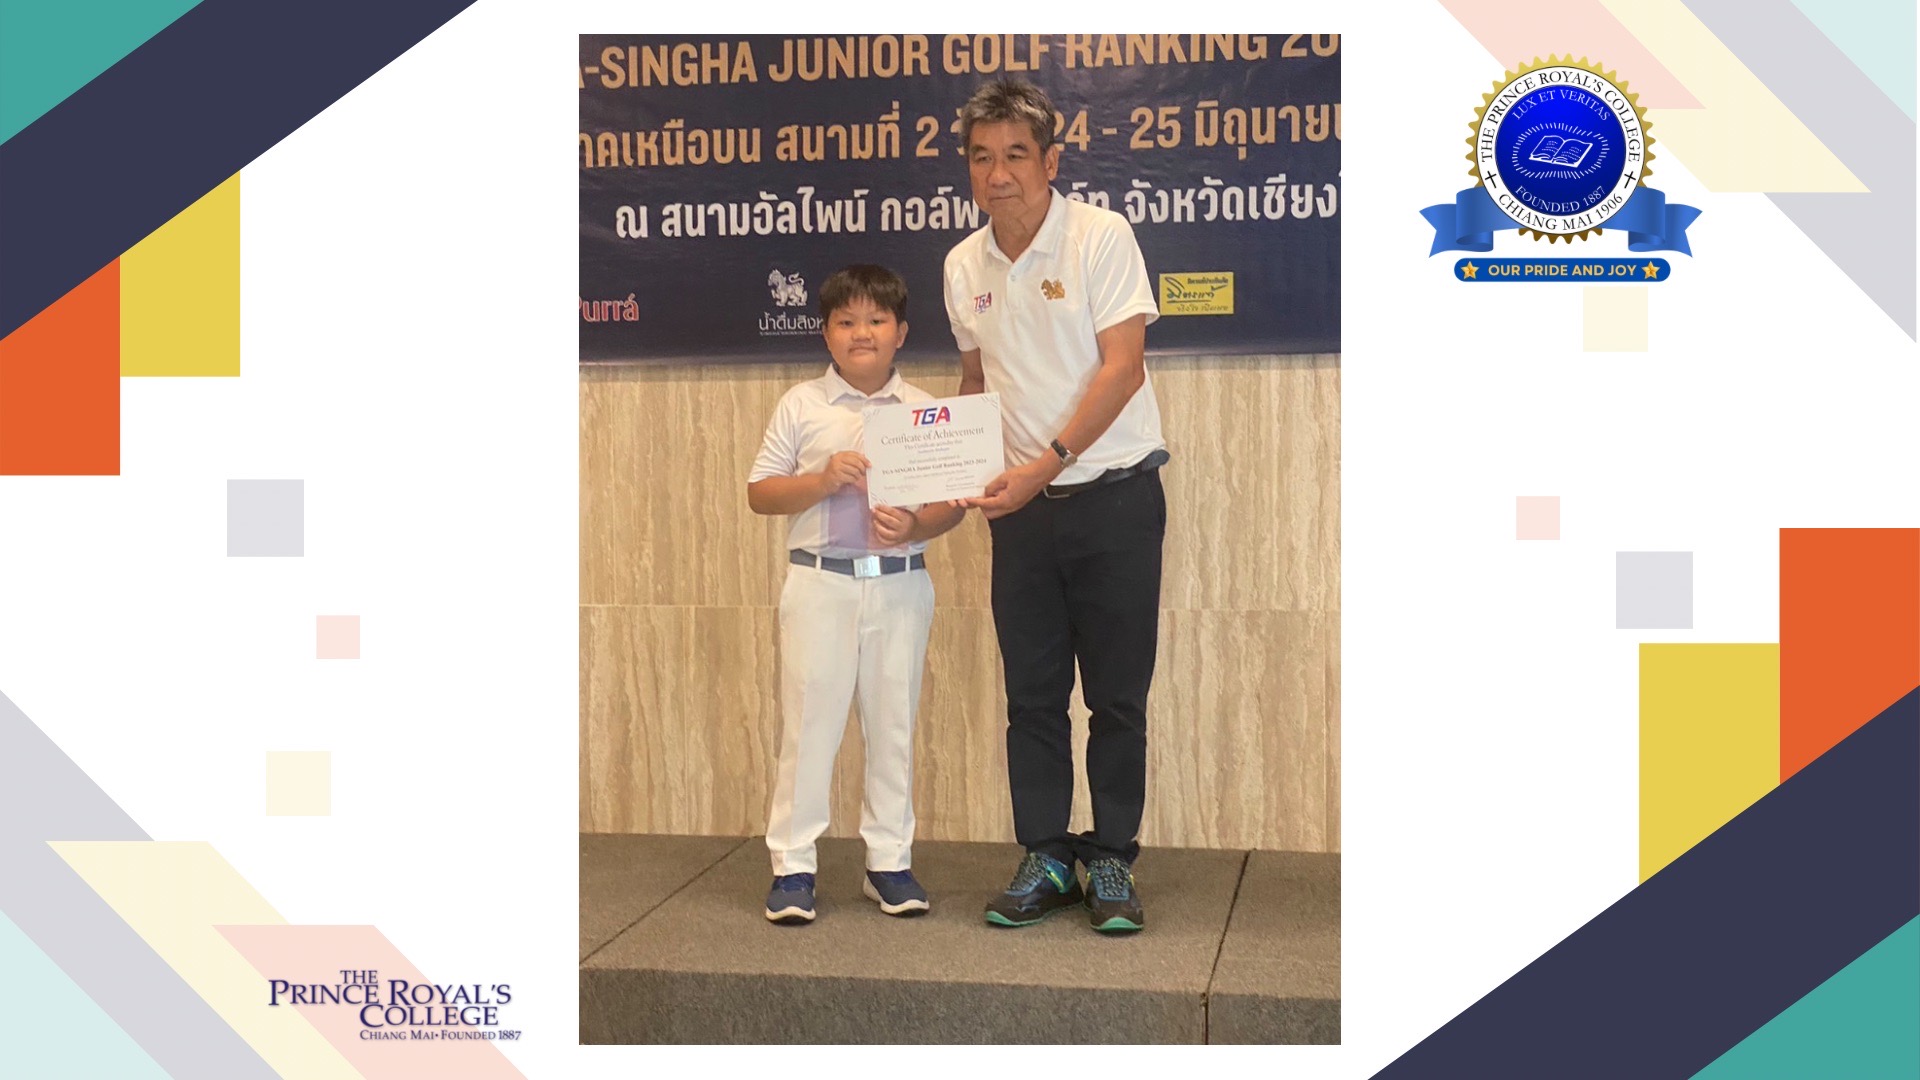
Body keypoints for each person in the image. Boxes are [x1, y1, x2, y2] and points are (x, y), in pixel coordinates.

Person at [944, 78, 1168, 934]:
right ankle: (1045, 854)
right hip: (1023, 517)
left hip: (1114, 498)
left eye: (1015, 155)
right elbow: (976, 381)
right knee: (1032, 696)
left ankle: (1111, 858)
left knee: (1116, 696)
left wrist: (1044, 464)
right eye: (981, 157)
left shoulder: (1100, 237)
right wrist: (952, 465)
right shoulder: (962, 265)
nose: (997, 174)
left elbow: (1124, 367)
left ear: (1051, 161)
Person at [747, 264, 963, 925]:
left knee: (894, 725)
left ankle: (889, 862)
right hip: (820, 584)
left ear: (902, 332)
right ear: (826, 333)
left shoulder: (926, 410)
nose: (861, 332)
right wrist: (820, 479)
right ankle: (792, 867)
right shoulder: (801, 404)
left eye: (876, 320)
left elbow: (952, 504)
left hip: (900, 585)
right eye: (846, 321)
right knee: (808, 727)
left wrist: (917, 526)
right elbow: (760, 493)